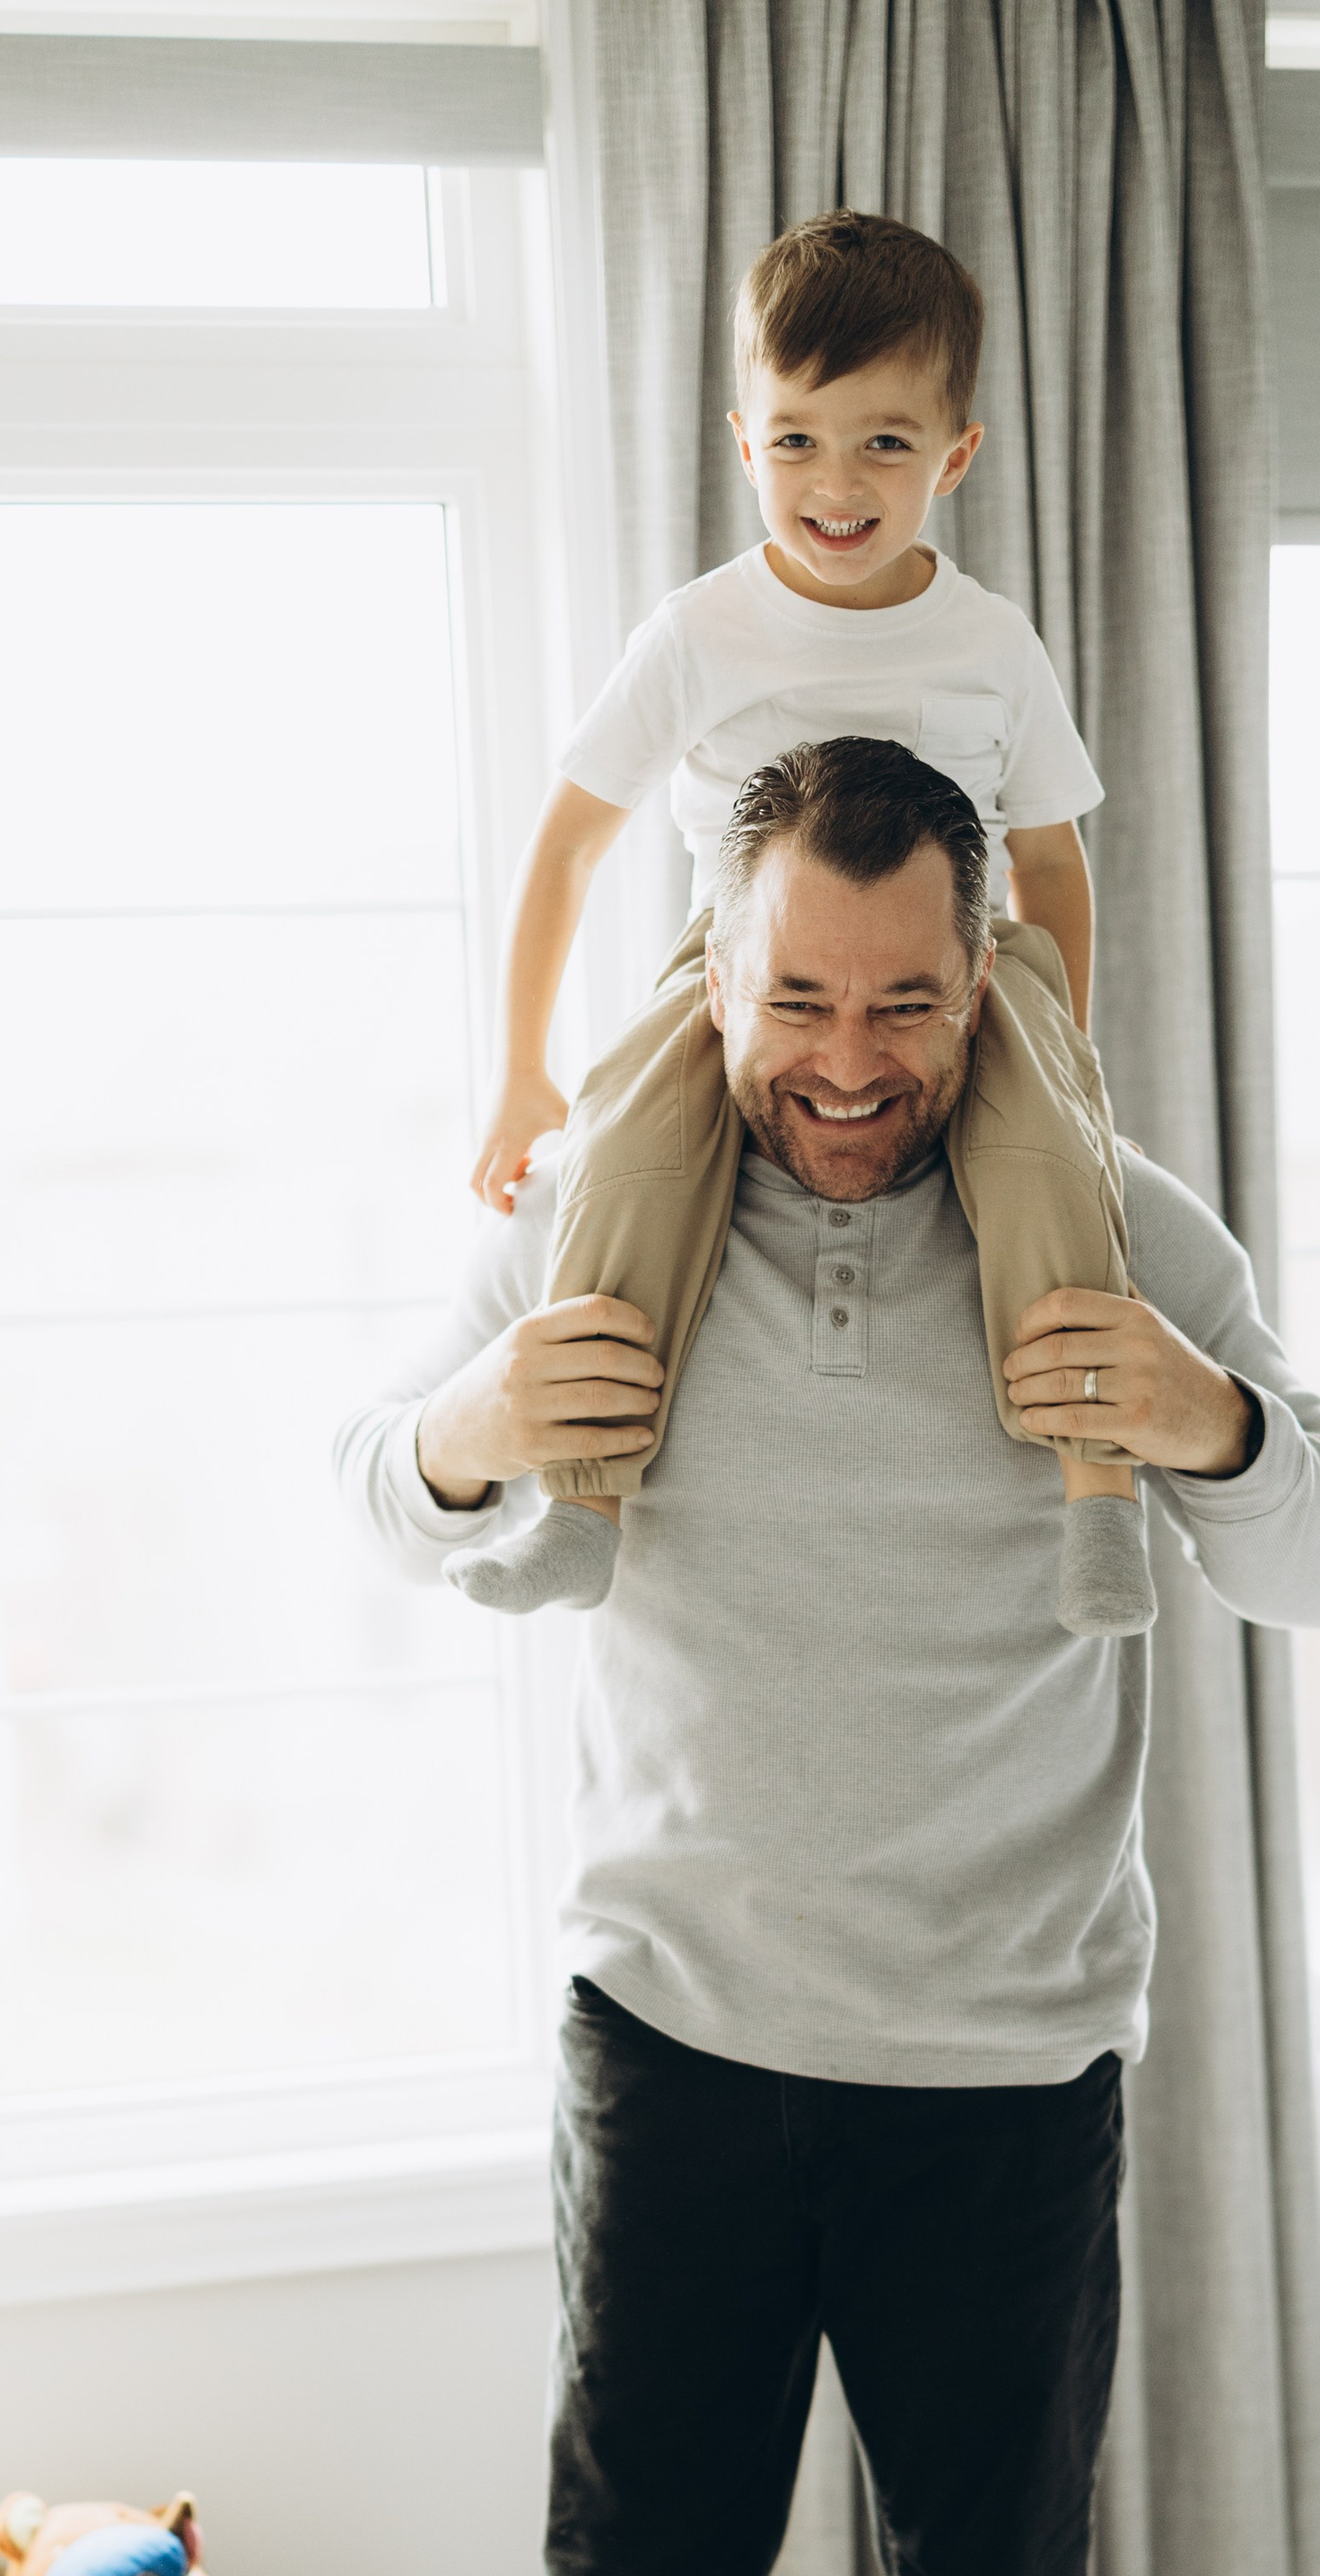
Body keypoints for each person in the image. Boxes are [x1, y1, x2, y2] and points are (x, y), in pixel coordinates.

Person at [333, 738, 1320, 2576]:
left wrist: (1206, 1420)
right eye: (797, 994)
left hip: (1004, 2069)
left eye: (904, 1002)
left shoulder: (1114, 1226)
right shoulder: (600, 1216)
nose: (845, 1057)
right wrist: (470, 1436)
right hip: (675, 2041)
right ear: (716, 965)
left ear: (983, 975)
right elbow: (373, 1485)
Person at [450, 206, 1155, 1640]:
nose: (837, 483)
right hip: (741, 970)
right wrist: (523, 1067)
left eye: (885, 442)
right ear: (742, 441)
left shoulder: (991, 643)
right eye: (796, 441)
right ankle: (582, 1509)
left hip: (957, 973)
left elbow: (1052, 864)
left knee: (1050, 1181)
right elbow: (569, 842)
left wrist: (1061, 1054)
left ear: (955, 455)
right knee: (627, 1158)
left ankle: (1100, 1503)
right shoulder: (699, 635)